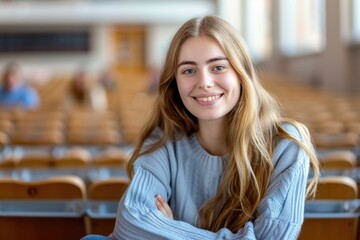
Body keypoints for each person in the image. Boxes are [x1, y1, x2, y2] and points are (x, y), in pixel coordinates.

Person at [82, 15, 320, 240]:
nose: (204, 82)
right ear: (174, 82)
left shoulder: (286, 144)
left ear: (241, 72)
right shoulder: (163, 140)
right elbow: (130, 223)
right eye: (188, 70)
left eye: (218, 67)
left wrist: (169, 230)